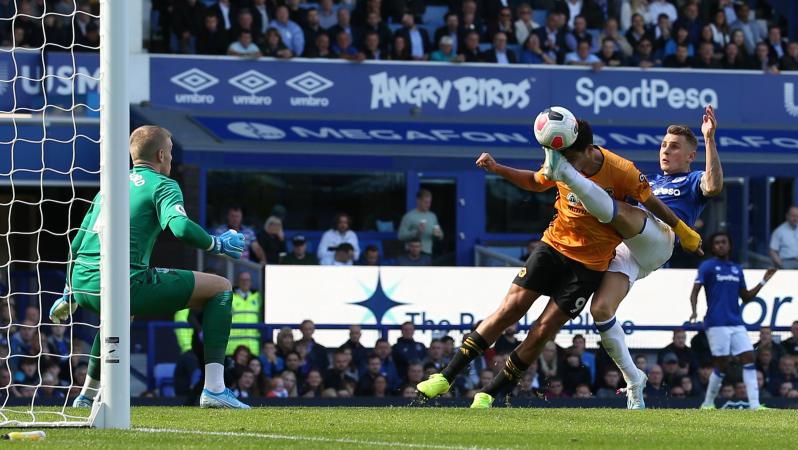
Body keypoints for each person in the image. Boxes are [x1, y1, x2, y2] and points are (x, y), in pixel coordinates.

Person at [417, 118, 668, 408]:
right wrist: (498, 169)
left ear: (587, 150)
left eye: (570, 156)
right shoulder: (559, 159)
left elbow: (650, 203)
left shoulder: (622, 171)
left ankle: (489, 393)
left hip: (589, 267)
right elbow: (536, 182)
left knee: (543, 330)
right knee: (509, 309)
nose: (566, 163)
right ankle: (446, 376)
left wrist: (682, 231)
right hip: (553, 247)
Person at [50, 126, 249, 409]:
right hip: (125, 282)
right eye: (171, 152)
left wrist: (68, 294)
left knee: (119, 315)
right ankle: (215, 388)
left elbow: (76, 243)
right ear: (161, 155)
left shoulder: (109, 187)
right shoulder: (163, 184)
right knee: (221, 288)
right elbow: (180, 228)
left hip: (83, 284)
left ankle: (87, 397)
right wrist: (216, 244)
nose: (171, 158)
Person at [538, 108, 714, 409]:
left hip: (660, 240)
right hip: (631, 249)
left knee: (623, 210)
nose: (665, 151)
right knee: (600, 310)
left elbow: (714, 185)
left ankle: (565, 171)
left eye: (674, 147)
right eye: (663, 145)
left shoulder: (693, 179)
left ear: (691, 156)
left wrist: (709, 139)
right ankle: (634, 379)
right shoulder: (651, 182)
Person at [690, 231, 777, 410]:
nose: (721, 245)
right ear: (712, 247)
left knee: (749, 357)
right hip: (716, 322)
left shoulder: (737, 268)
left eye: (724, 242)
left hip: (736, 322)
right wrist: (694, 311)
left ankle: (755, 405)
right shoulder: (707, 266)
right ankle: (708, 403)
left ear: (729, 245)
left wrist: (763, 281)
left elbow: (745, 296)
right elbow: (695, 291)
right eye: (717, 243)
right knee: (721, 364)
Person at [398, 189, 443, 257]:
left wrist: (438, 235)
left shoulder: (433, 216)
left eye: (429, 202)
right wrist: (416, 232)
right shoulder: (409, 216)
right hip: (411, 254)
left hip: (427, 253)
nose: (428, 205)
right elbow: (400, 236)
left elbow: (441, 235)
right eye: (426, 202)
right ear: (418, 201)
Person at [225, 272, 261, 356]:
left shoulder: (258, 297)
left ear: (251, 282)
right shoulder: (230, 297)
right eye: (243, 280)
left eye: (247, 280)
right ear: (238, 282)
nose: (245, 282)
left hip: (252, 346)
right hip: (233, 347)